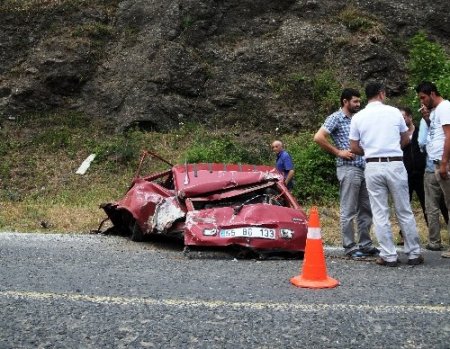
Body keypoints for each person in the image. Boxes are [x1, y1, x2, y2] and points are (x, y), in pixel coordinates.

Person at [349, 82, 423, 267]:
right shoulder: (394, 112)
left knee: (380, 211)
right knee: (404, 210)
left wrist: (370, 152)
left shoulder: (359, 117)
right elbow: (406, 137)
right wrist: (393, 149)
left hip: (373, 165)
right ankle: (413, 253)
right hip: (396, 163)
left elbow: (353, 146)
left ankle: (389, 255)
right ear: (381, 94)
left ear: (367, 96)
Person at [314, 88, 377, 259]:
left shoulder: (359, 118)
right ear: (345, 101)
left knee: (366, 208)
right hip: (348, 168)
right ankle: (349, 247)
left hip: (365, 167)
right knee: (348, 209)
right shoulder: (336, 117)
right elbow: (319, 137)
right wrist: (338, 152)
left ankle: (365, 244)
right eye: (355, 101)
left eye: (359, 101)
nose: (358, 104)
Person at [416, 81, 450, 258]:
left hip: (444, 163)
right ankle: (435, 242)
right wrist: (427, 118)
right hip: (435, 162)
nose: (422, 102)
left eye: (423, 97)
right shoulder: (436, 111)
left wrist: (444, 163)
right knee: (436, 204)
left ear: (432, 94)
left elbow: (448, 135)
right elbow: (435, 134)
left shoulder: (445, 107)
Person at [396, 107, 427, 245]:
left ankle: (434, 235)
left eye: (403, 117)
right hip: (405, 174)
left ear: (409, 117)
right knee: (404, 205)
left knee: (427, 204)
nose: (401, 120)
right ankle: (403, 236)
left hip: (421, 174)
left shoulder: (420, 130)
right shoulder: (398, 134)